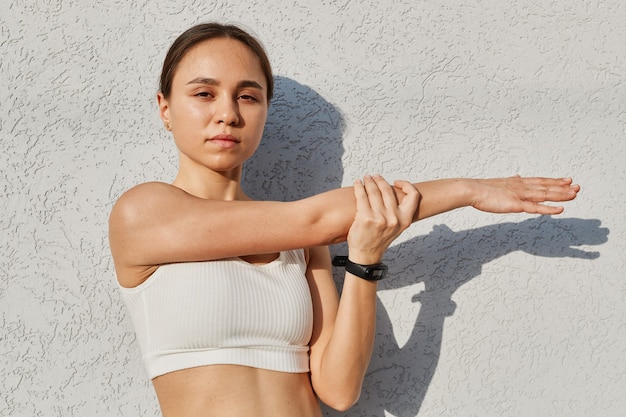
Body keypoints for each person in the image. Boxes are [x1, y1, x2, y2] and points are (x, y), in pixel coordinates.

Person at [108, 22, 579, 417]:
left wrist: (364, 262)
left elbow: (338, 389)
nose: (227, 114)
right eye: (204, 94)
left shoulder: (300, 242)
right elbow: (314, 218)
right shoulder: (143, 212)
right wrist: (467, 190)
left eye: (247, 97)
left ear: (265, 111)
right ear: (165, 109)